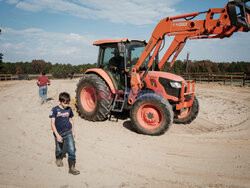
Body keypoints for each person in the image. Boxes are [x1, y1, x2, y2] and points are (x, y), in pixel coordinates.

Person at [49, 92, 80, 175]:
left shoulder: (69, 109)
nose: (66, 105)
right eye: (64, 103)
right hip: (58, 133)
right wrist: (57, 135)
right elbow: (52, 124)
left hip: (68, 132)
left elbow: (71, 120)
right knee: (59, 149)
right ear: (60, 101)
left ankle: (72, 168)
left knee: (72, 150)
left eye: (68, 103)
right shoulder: (54, 110)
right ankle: (58, 158)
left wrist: (73, 131)